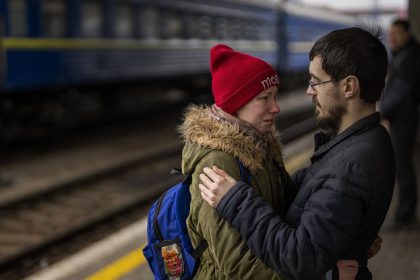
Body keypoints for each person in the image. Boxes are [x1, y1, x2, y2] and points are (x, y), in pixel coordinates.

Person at [198, 27, 395, 280]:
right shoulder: (360, 144)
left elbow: (299, 258)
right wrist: (351, 238)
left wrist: (236, 200)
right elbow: (311, 204)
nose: (309, 91)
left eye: (315, 81)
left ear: (349, 87)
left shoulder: (350, 167)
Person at [179, 44, 297, 279]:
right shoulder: (217, 164)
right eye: (264, 98)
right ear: (235, 103)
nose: (276, 107)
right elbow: (236, 264)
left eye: (275, 96)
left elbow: (290, 211)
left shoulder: (262, 146)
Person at [380, 19, 420, 228]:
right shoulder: (405, 55)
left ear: (407, 34)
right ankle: (406, 212)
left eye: (396, 33)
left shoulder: (408, 58)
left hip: (404, 120)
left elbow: (401, 93)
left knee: (403, 168)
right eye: (390, 33)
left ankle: (405, 215)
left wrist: (382, 112)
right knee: (404, 167)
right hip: (403, 119)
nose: (391, 37)